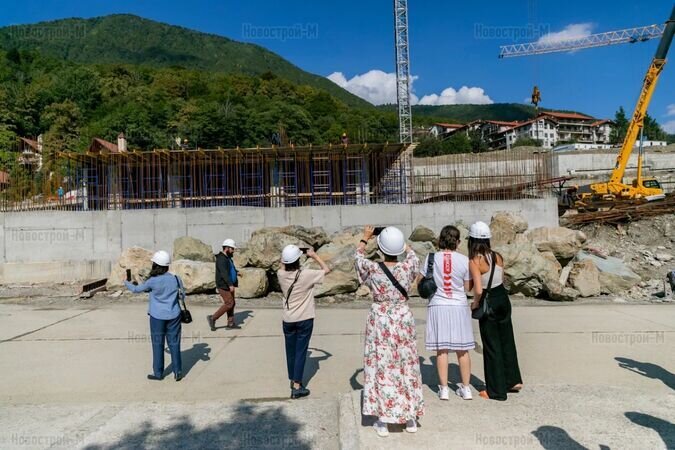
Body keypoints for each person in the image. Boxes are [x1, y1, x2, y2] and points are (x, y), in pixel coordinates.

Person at [355, 226, 424, 437]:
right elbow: (412, 254)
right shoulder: (408, 266)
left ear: (382, 248)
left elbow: (357, 257)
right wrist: (401, 241)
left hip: (381, 318)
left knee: (381, 365)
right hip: (402, 317)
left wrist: (366, 238)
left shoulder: (373, 268)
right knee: (406, 365)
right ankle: (410, 417)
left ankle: (383, 420)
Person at [421, 225, 480, 401]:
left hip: (438, 304)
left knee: (442, 350)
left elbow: (421, 280)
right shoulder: (464, 260)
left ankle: (444, 388)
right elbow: (468, 287)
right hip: (458, 305)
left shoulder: (431, 258)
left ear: (440, 240)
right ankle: (466, 388)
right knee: (463, 349)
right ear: (458, 241)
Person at [468, 221, 523, 401]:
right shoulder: (497, 256)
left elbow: (477, 289)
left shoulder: (475, 260)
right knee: (507, 340)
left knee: (491, 346)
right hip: (502, 298)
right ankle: (513, 380)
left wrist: (475, 304)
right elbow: (501, 276)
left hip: (488, 300)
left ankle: (496, 391)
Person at [277, 244, 330, 399]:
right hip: (304, 318)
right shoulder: (306, 274)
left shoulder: (280, 274)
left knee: (290, 351)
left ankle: (292, 378)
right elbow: (326, 270)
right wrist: (313, 255)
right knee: (301, 352)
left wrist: (289, 252)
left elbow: (283, 263)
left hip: (288, 318)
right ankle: (297, 385)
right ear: (297, 260)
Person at [124, 250, 185, 381]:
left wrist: (127, 283)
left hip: (157, 317)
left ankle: (158, 373)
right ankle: (178, 372)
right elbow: (182, 295)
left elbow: (136, 289)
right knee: (174, 343)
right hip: (174, 315)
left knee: (158, 344)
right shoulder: (176, 278)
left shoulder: (152, 281)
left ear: (156, 265)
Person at [208, 238, 239, 330]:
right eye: (232, 249)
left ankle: (230, 323)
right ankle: (213, 318)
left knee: (232, 303)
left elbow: (229, 269)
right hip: (224, 285)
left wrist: (237, 272)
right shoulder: (221, 259)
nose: (233, 251)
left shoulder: (227, 258)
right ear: (227, 248)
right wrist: (230, 285)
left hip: (229, 284)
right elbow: (224, 273)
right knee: (229, 303)